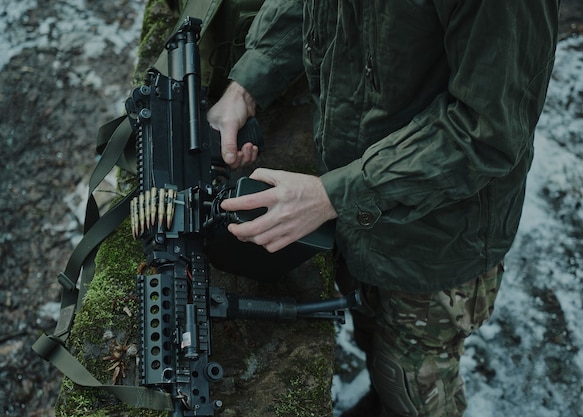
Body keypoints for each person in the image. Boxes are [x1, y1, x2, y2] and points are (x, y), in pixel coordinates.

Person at [207, 1, 561, 416]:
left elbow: (486, 131)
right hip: (349, 197)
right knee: (370, 333)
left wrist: (331, 195)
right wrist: (247, 86)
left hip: (439, 238)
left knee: (413, 382)